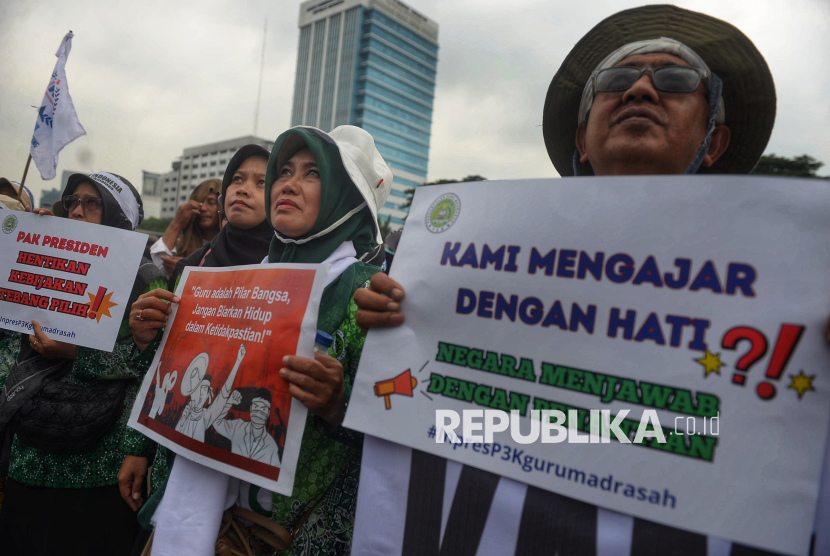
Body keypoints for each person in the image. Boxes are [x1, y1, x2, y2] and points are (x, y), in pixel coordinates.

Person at [349, 5, 830, 555]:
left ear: (713, 143)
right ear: (583, 138)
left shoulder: (800, 282)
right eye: (618, 80)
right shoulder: (465, 259)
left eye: (674, 80)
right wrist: (399, 321)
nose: (641, 90)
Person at [142, 125, 392, 556]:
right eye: (286, 170)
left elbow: (396, 427)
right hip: (208, 528)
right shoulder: (226, 284)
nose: (289, 184)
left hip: (290, 536)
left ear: (345, 200)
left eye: (313, 173)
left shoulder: (368, 296)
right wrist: (150, 340)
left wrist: (338, 405)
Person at [0, 171, 166, 556]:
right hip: (32, 453)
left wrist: (76, 353)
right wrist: (27, 241)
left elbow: (156, 364)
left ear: (118, 216)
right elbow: (11, 335)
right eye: (72, 201)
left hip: (101, 462)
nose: (77, 211)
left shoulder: (148, 279)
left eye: (92, 203)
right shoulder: (48, 255)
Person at [118, 144, 274, 519]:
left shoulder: (292, 272)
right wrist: (139, 448)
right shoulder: (193, 266)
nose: (242, 188)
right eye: (236, 179)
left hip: (249, 479)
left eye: (261, 182)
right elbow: (164, 363)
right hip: (182, 456)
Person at [150, 178, 221, 276]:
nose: (203, 208)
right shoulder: (180, 246)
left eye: (211, 202)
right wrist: (176, 224)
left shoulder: (231, 248)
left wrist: (189, 270)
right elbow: (154, 271)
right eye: (199, 203)